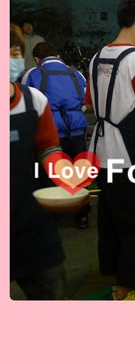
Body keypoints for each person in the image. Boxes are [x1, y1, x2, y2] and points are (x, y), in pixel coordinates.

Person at [85, 0, 135, 300]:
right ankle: (130, 286)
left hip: (101, 153)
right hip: (129, 156)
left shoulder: (96, 57)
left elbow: (91, 104)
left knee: (112, 216)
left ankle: (117, 274)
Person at [10, 24, 66, 299]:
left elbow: (47, 147)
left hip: (32, 224)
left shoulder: (34, 101)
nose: (10, 58)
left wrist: (63, 171)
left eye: (15, 51)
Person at [22, 41, 91, 228]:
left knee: (49, 175)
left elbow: (26, 103)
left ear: (37, 59)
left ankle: (52, 217)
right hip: (77, 130)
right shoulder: (76, 73)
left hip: (50, 135)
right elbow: (86, 101)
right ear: (58, 56)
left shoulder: (32, 74)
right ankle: (82, 215)